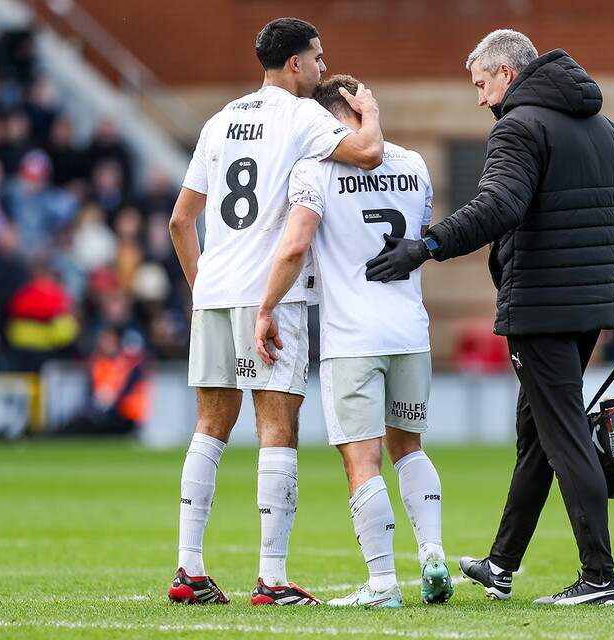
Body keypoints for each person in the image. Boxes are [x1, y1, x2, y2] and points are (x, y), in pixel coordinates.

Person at [366, 29, 614, 605]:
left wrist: (427, 246)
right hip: (587, 309)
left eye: (481, 84)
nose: (480, 99)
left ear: (507, 74)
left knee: (563, 436)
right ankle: (501, 564)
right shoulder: (610, 132)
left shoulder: (519, 127)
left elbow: (499, 205)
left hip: (541, 307)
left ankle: (599, 578)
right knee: (538, 438)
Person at [167, 17, 383, 606]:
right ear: (296, 63)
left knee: (208, 428)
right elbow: (368, 152)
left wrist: (203, 289)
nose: (322, 67)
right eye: (318, 58)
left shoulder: (219, 120)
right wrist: (368, 111)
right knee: (278, 429)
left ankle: (189, 569)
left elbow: (181, 221)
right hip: (270, 296)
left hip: (214, 294)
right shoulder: (303, 115)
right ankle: (272, 577)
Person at [255, 74, 452, 609]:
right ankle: (432, 552)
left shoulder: (314, 169)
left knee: (361, 460)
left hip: (352, 339)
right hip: (409, 330)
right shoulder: (415, 164)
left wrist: (266, 306)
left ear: (324, 117)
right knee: (409, 447)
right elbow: (417, 233)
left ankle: (383, 583)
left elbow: (294, 245)